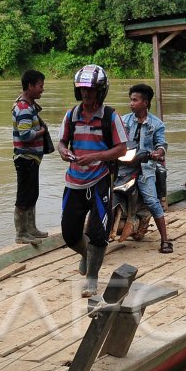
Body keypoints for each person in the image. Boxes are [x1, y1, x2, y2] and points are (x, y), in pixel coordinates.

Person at [57, 64, 128, 297]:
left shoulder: (110, 116)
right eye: (83, 90)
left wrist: (96, 156)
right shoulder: (71, 116)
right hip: (73, 182)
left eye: (91, 90)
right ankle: (86, 255)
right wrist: (64, 152)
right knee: (69, 233)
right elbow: (62, 143)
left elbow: (121, 149)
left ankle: (92, 277)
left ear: (101, 91)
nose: (86, 94)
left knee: (99, 232)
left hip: (99, 180)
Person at [119, 83, 172, 253]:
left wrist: (158, 152)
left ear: (145, 102)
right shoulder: (124, 120)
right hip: (123, 165)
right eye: (130, 100)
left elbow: (161, 143)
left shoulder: (156, 124)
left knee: (151, 200)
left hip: (144, 167)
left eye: (135, 100)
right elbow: (116, 139)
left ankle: (165, 240)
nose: (131, 103)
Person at [11, 70, 50, 245]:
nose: (42, 89)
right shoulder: (24, 109)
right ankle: (21, 233)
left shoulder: (28, 106)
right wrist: (42, 131)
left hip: (31, 159)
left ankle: (31, 229)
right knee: (24, 195)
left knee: (32, 193)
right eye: (40, 86)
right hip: (25, 158)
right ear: (30, 86)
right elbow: (25, 135)